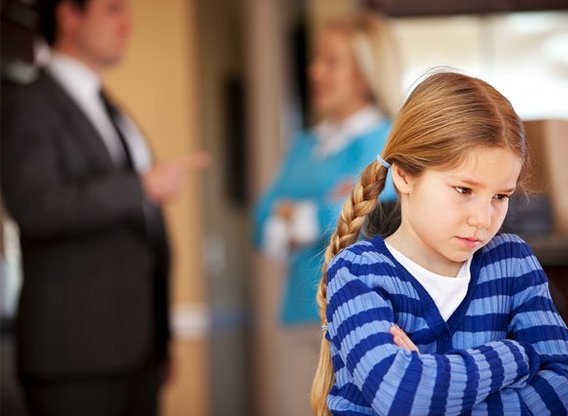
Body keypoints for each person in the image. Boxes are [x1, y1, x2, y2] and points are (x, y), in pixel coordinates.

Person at [310, 70, 568, 415]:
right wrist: (517, 354)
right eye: (464, 190)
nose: (482, 219)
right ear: (404, 175)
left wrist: (430, 380)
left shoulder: (512, 263)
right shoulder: (357, 273)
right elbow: (404, 396)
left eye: (501, 196)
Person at [0, 0, 208, 415]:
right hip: (73, 355)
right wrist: (141, 186)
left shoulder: (110, 109)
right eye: (113, 9)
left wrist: (160, 339)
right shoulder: (27, 101)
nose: (127, 24)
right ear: (68, 16)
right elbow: (35, 205)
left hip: (139, 352)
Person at [253, 11, 401, 416]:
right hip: (298, 316)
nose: (315, 71)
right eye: (316, 59)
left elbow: (368, 217)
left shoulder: (388, 140)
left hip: (360, 320)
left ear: (365, 74)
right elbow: (260, 223)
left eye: (331, 61)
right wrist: (324, 207)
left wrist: (297, 214)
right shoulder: (304, 145)